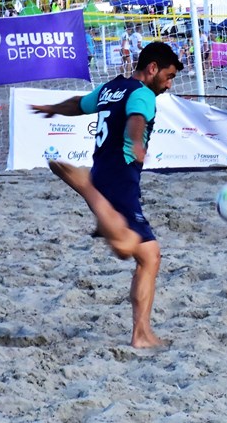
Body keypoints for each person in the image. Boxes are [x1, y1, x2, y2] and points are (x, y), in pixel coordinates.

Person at [30, 42, 184, 347]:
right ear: (152, 68)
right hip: (120, 176)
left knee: (147, 253)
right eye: (168, 76)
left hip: (103, 169)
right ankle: (140, 334)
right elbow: (136, 120)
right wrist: (136, 142)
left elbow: (79, 104)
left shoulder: (110, 88)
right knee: (133, 249)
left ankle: (98, 204)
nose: (168, 84)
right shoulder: (143, 95)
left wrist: (52, 109)